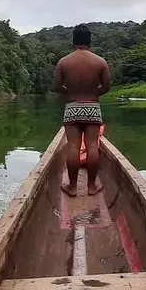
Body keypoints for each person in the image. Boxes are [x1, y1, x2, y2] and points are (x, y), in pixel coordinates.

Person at [53, 24, 111, 197]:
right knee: (93, 145)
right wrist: (94, 93)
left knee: (73, 146)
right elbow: (107, 87)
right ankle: (92, 187)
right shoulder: (100, 62)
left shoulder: (64, 62)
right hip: (93, 105)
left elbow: (56, 87)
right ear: (89, 41)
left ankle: (72, 187)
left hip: (72, 106)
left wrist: (70, 93)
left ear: (73, 41)